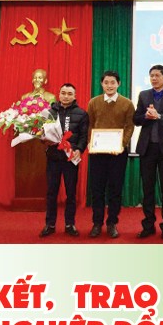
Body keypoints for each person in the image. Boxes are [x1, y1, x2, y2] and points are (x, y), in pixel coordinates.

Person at [134, 64, 163, 240]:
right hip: (147, 148)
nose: (154, 78)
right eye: (151, 75)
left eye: (157, 76)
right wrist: (146, 116)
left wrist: (159, 116)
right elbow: (136, 119)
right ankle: (148, 225)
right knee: (147, 189)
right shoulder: (144, 95)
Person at [87, 70, 135, 239]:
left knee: (115, 190)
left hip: (118, 153)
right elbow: (90, 125)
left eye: (112, 82)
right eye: (106, 82)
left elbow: (130, 126)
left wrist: (122, 144)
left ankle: (112, 222)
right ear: (102, 84)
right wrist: (90, 142)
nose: (109, 86)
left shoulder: (127, 103)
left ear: (118, 84)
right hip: (98, 152)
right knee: (97, 190)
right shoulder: (93, 102)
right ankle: (97, 223)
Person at [39, 83, 88, 239]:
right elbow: (41, 134)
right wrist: (43, 139)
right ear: (59, 94)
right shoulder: (49, 113)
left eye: (69, 94)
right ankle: (50, 224)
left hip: (70, 159)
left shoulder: (82, 114)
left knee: (71, 193)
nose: (66, 96)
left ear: (74, 96)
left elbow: (84, 136)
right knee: (51, 192)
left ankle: (69, 224)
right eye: (63, 93)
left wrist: (79, 149)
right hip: (53, 158)